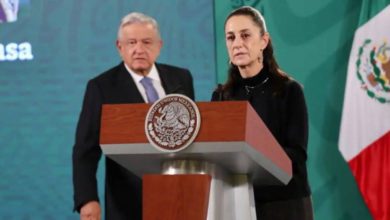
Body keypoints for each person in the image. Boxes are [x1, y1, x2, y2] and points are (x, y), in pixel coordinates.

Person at [72, 12, 195, 220]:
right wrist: (87, 199)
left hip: (180, 196)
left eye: (147, 42)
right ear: (120, 47)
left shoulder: (181, 78)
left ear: (159, 45)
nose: (139, 49)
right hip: (127, 203)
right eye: (131, 43)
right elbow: (85, 150)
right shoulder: (101, 87)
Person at [211, 6, 313, 220]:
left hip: (284, 204)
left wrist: (251, 161)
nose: (237, 43)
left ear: (264, 41)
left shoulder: (288, 90)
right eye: (231, 38)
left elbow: (297, 154)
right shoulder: (222, 96)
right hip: (236, 202)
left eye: (245, 35)